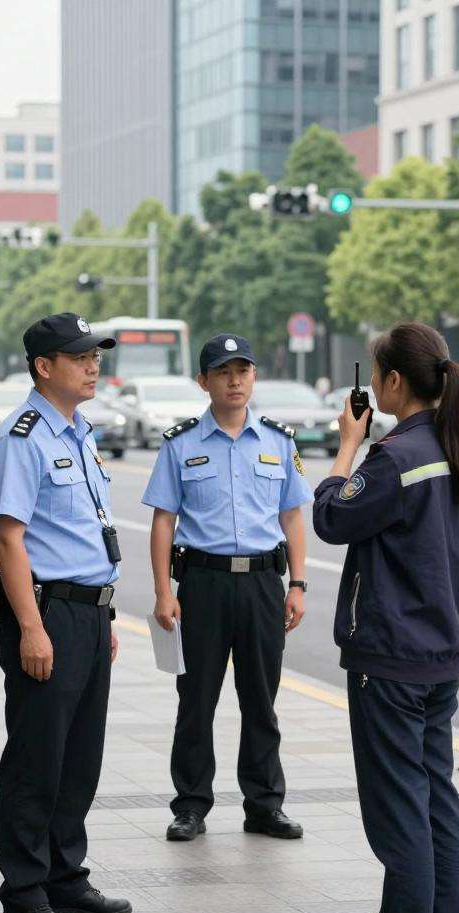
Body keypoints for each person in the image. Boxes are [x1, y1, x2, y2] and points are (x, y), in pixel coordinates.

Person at [313, 322, 459, 913]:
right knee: (436, 798)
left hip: (390, 656)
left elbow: (332, 517)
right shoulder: (455, 446)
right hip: (440, 652)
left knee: (399, 808)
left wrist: (346, 449)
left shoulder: (396, 457)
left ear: (389, 382)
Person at [0, 312, 131, 913]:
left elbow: (83, 532)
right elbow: (9, 540)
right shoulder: (22, 438)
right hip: (47, 613)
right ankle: (23, 892)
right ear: (45, 366)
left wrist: (106, 614)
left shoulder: (76, 434)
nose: (94, 364)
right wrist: (32, 628)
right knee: (36, 758)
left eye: (96, 354)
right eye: (80, 356)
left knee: (79, 755)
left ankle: (65, 875)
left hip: (88, 612)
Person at [142, 333, 312, 842]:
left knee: (261, 699)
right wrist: (162, 592)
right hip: (203, 584)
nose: (235, 380)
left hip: (263, 583)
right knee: (196, 699)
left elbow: (292, 517)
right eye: (223, 372)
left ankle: (264, 804)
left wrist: (297, 583)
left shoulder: (279, 441)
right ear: (204, 381)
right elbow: (163, 521)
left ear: (254, 377)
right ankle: (191, 805)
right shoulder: (181, 444)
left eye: (244, 370)